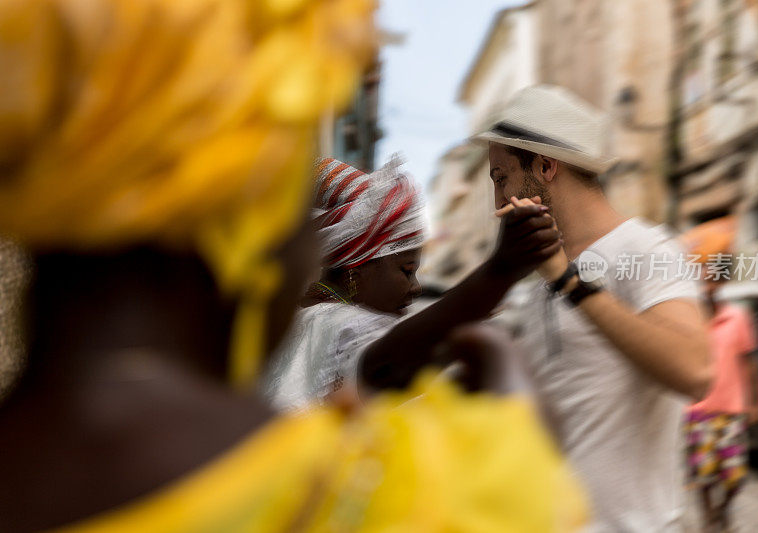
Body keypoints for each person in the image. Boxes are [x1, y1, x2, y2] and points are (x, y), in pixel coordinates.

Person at [0, 1, 587, 531]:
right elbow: (388, 361)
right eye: (296, 180)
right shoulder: (379, 495)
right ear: (236, 203)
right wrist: (518, 439)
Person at [474, 85, 712, 532]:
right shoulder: (545, 269)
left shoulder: (645, 247)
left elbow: (695, 370)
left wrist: (569, 281)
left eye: (501, 177)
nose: (498, 200)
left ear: (545, 166)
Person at [263, 154, 563, 410]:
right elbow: (388, 365)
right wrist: (500, 270)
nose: (416, 287)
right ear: (357, 268)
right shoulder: (336, 323)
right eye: (406, 270)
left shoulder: (289, 318)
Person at [682, 217, 758, 533]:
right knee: (702, 474)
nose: (709, 281)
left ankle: (723, 508)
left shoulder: (739, 317)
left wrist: (755, 402)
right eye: (703, 273)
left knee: (733, 476)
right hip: (697, 410)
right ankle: (708, 521)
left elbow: (751, 363)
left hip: (731, 410)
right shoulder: (691, 318)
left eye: (714, 274)